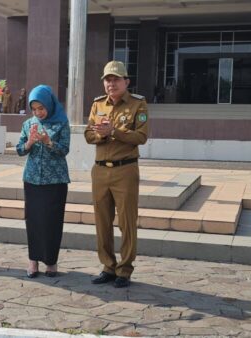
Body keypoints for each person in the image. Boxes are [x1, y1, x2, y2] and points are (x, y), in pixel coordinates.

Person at [85, 61, 149, 288]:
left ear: (126, 81)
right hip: (100, 170)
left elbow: (141, 137)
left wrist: (114, 131)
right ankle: (108, 266)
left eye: (116, 79)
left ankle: (125, 269)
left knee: (126, 222)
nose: (111, 83)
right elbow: (88, 135)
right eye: (107, 80)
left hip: (125, 170)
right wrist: (101, 135)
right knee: (102, 221)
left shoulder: (137, 104)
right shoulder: (97, 105)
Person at [16, 85, 70, 278]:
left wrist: (48, 142)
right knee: (33, 221)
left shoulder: (61, 122)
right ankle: (33, 261)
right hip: (32, 180)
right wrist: (29, 143)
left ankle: (51, 261)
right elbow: (20, 149)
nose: (38, 112)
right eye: (35, 109)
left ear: (49, 104)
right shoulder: (28, 124)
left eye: (41, 108)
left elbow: (64, 149)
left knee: (52, 221)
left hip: (55, 181)